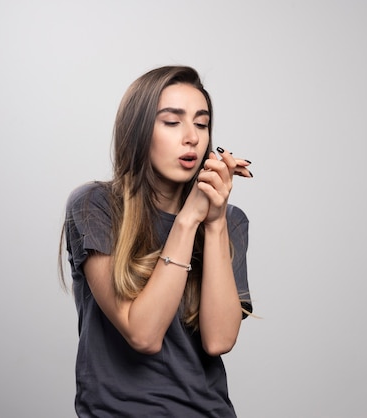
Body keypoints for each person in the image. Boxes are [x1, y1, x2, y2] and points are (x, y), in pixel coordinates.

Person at [59, 65, 254, 417]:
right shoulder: (94, 206)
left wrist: (213, 223)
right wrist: (188, 219)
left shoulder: (230, 221)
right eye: (172, 121)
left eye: (202, 122)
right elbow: (143, 335)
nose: (192, 137)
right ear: (138, 131)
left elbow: (219, 340)